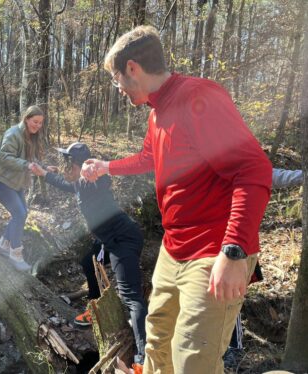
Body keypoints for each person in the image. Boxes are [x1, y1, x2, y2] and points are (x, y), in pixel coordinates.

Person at [81, 26, 272, 373]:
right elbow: (148, 158)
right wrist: (106, 166)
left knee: (192, 361)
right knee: (157, 346)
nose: (118, 88)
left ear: (133, 68)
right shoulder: (158, 113)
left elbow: (254, 170)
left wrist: (234, 251)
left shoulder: (198, 97)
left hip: (213, 252)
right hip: (173, 249)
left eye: (116, 78)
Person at [30, 142, 147, 372]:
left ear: (77, 164)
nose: (65, 166)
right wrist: (43, 173)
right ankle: (94, 311)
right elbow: (65, 185)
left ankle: (143, 357)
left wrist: (95, 171)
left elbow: (102, 179)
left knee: (130, 296)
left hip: (124, 240)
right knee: (87, 262)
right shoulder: (78, 184)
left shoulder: (93, 181)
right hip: (107, 240)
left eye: (68, 162)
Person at [224, 167, 304, 369]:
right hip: (206, 247)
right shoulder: (205, 169)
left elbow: (277, 176)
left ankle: (234, 348)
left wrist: (304, 174)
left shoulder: (244, 166)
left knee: (230, 300)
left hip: (239, 249)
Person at [0, 105, 44, 271]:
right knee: (19, 213)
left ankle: (2, 245)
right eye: (35, 122)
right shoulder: (13, 133)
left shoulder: (30, 136)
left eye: (41, 123)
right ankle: (15, 254)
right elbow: (5, 157)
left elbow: (30, 159)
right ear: (27, 119)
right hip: (0, 181)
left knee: (21, 214)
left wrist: (44, 168)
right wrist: (27, 165)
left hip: (15, 183)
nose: (38, 126)